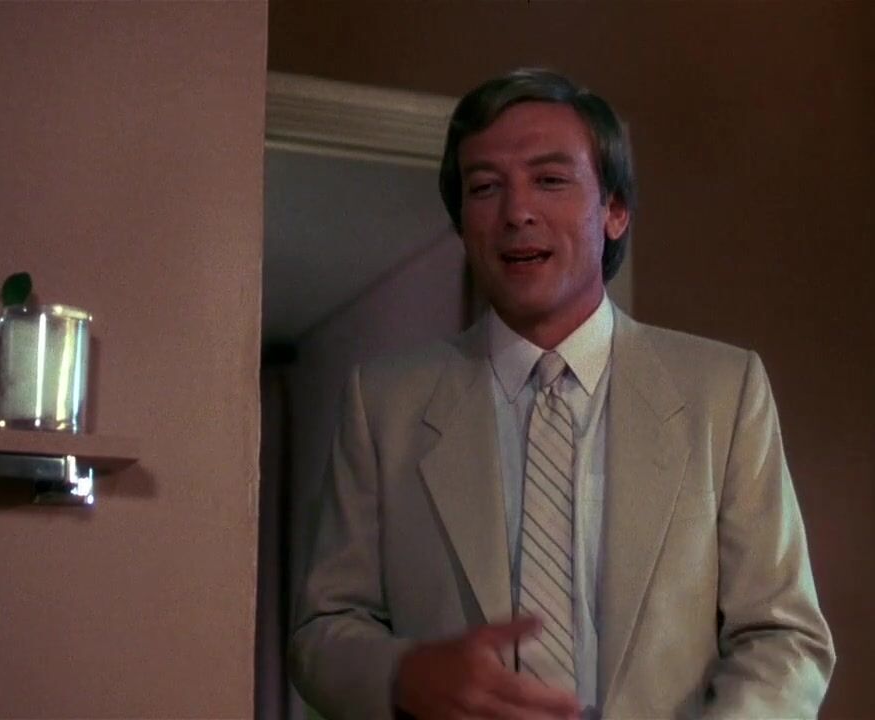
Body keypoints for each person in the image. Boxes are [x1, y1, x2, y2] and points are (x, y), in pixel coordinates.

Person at [289, 68, 835, 720]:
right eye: (485, 187)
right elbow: (322, 631)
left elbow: (783, 636)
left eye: (549, 180)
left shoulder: (722, 391)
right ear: (461, 223)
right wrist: (403, 676)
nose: (516, 212)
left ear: (614, 210)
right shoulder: (384, 405)